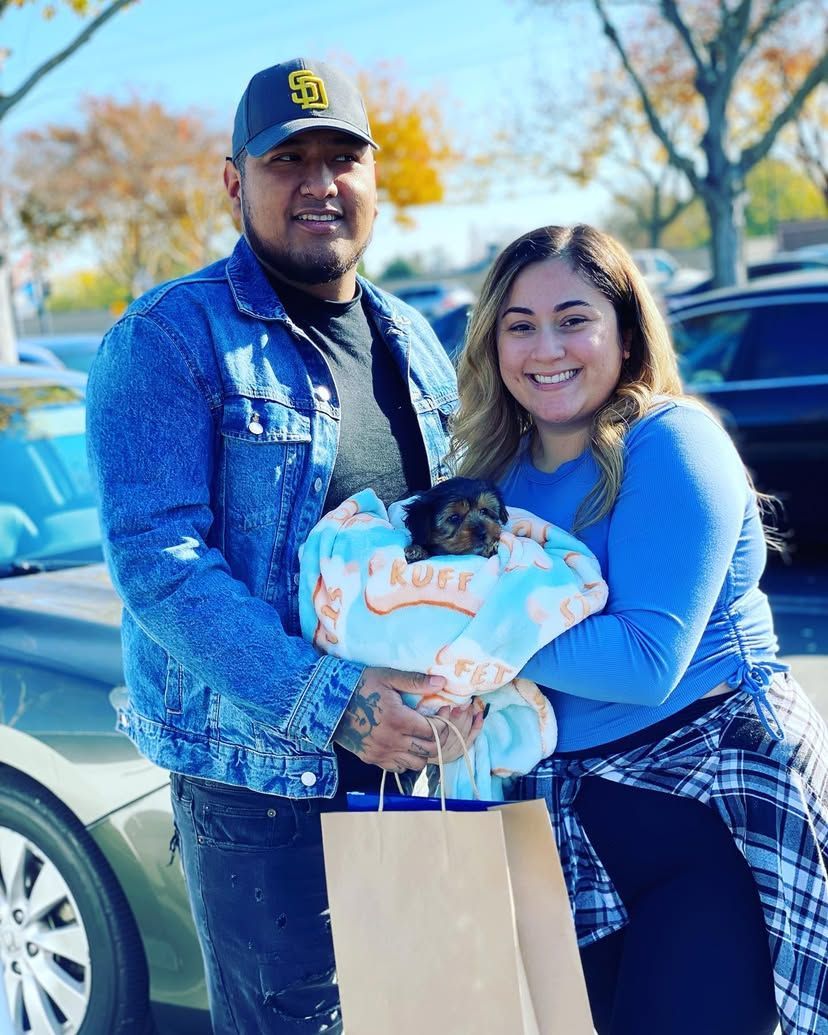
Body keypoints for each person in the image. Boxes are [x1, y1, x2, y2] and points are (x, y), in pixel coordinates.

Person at [86, 57, 481, 1035]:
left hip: (412, 769)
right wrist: (337, 705)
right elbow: (156, 563)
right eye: (286, 160)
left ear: (375, 177)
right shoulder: (171, 339)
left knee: (417, 1013)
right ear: (234, 181)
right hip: (263, 791)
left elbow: (447, 531)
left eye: (341, 157)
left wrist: (482, 664)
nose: (318, 183)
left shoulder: (414, 338)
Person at [450, 224, 828, 1035]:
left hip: (708, 818)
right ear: (493, 343)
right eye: (519, 324)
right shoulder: (493, 474)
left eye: (573, 318)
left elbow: (644, 661)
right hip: (572, 828)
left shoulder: (672, 441)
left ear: (624, 331)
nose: (546, 346)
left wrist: (455, 631)